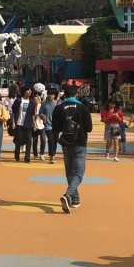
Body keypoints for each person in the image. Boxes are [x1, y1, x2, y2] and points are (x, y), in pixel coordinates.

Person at [56, 85, 93, 213]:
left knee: (70, 171)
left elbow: (56, 128)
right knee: (78, 173)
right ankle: (68, 194)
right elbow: (89, 128)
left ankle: (75, 199)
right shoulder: (83, 108)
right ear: (77, 94)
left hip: (66, 143)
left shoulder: (59, 108)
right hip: (80, 143)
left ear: (64, 94)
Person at [12, 87, 35, 163]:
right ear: (24, 91)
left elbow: (32, 114)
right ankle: (17, 153)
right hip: (19, 123)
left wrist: (34, 124)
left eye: (30, 90)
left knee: (29, 140)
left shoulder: (32, 102)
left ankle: (27, 158)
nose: (29, 91)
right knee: (19, 140)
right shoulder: (18, 100)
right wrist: (13, 122)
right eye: (28, 90)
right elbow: (14, 112)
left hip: (28, 124)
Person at [39, 90, 58, 163]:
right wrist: (42, 116)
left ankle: (53, 154)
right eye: (49, 94)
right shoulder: (44, 104)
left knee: (55, 141)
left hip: (56, 126)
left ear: (54, 96)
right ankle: (52, 156)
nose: (50, 96)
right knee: (51, 140)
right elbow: (40, 113)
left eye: (52, 94)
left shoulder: (57, 104)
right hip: (48, 125)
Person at [30, 92, 45, 160]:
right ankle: (35, 154)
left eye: (37, 100)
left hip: (42, 125)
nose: (35, 101)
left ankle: (42, 154)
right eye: (34, 100)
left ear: (39, 100)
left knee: (43, 139)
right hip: (34, 126)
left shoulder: (41, 106)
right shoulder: (31, 107)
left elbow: (44, 115)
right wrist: (33, 125)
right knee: (35, 140)